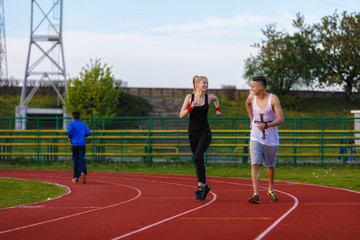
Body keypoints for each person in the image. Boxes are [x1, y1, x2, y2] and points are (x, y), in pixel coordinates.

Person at [180, 75, 221, 201]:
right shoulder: (189, 97)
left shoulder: (209, 97)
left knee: (197, 156)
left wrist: (217, 109)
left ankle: (200, 187)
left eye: (207, 83)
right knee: (198, 159)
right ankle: (204, 186)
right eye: (204, 83)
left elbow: (216, 99)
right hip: (192, 133)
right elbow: (181, 115)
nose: (206, 85)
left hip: (205, 132)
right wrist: (191, 107)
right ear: (197, 85)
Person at [245, 76, 284, 203]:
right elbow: (247, 104)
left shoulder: (273, 99)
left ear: (260, 87)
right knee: (255, 163)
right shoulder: (251, 97)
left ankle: (270, 188)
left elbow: (281, 119)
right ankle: (255, 194)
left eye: (253, 86)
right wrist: (251, 120)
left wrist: (267, 125)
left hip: (271, 138)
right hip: (255, 136)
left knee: (270, 165)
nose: (251, 88)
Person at [68, 111, 92, 184]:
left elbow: (69, 131)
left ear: (73, 117)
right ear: (79, 117)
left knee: (75, 159)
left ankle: (75, 177)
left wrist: (70, 137)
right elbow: (89, 133)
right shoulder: (83, 124)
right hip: (82, 143)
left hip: (74, 144)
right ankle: (82, 172)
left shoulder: (71, 124)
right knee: (81, 158)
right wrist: (83, 135)